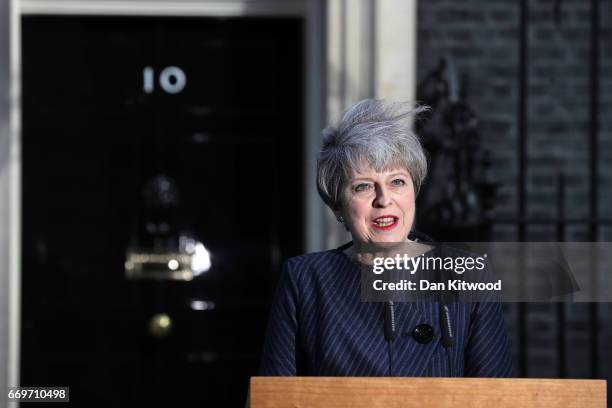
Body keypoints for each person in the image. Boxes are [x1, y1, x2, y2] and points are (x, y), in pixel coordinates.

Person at [259, 99, 513, 377]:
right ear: (337, 206)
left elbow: (496, 395)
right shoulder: (304, 281)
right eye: (363, 186)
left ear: (413, 191)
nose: (384, 200)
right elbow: (275, 396)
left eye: (397, 182)